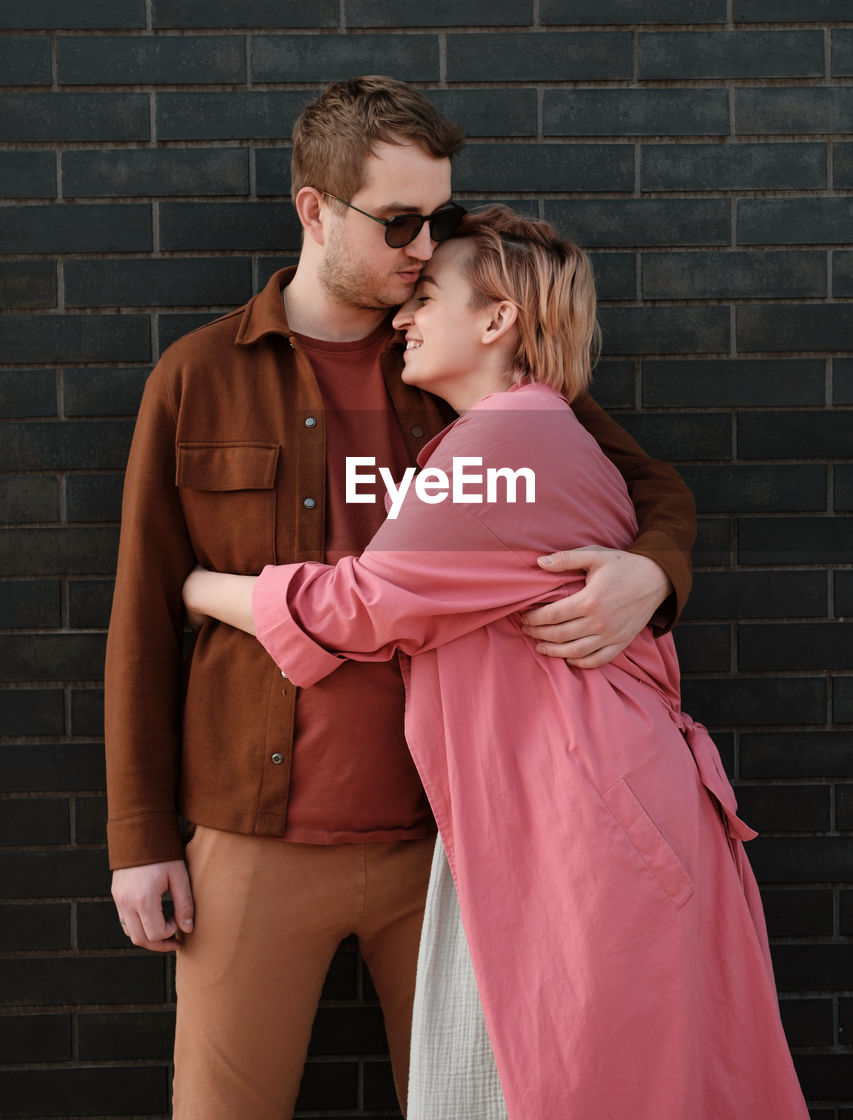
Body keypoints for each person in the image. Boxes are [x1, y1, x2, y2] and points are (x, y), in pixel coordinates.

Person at [105, 76, 696, 1119]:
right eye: (400, 223)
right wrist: (141, 836)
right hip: (254, 834)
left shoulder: (458, 356)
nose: (425, 250)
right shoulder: (199, 375)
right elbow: (143, 620)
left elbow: (643, 486)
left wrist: (648, 576)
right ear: (314, 209)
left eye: (440, 222)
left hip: (453, 844)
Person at [182, 205, 808, 1120]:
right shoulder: (531, 431)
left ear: (496, 319)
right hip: (588, 808)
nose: (401, 315)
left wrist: (195, 584)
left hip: (589, 826)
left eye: (426, 295)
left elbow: (356, 609)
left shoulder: (505, 441)